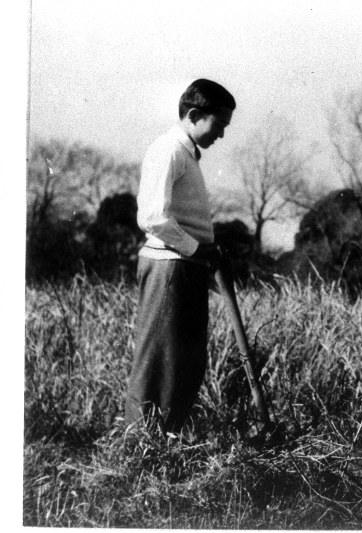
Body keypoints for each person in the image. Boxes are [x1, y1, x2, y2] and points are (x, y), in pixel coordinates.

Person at [125, 79, 235, 433]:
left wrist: (202, 254)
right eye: (219, 124)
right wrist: (195, 248)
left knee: (183, 362)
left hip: (187, 267)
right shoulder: (168, 150)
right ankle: (143, 446)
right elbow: (153, 217)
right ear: (193, 115)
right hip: (168, 267)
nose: (221, 134)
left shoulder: (187, 154)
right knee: (159, 361)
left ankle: (168, 442)